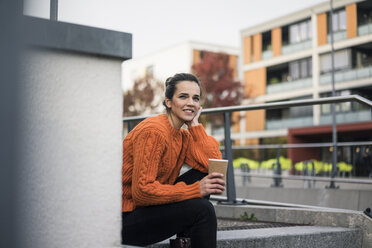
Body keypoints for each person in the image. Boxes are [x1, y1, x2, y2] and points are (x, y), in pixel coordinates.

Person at [121, 73, 226, 248]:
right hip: (123, 220)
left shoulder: (182, 135)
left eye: (196, 98)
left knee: (206, 175)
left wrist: (195, 125)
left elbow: (214, 166)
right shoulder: (154, 132)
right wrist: (194, 190)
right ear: (168, 102)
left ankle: (186, 242)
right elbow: (142, 192)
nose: (191, 103)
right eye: (183, 96)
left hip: (148, 210)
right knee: (203, 210)